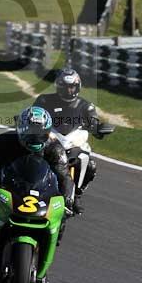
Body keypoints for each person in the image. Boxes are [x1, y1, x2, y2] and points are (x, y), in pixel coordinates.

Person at [0, 106, 73, 270]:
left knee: (61, 217)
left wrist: (67, 200)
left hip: (41, 193)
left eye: (40, 133)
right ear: (21, 129)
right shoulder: (3, 142)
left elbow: (65, 177)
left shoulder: (54, 148)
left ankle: (42, 257)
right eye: (31, 132)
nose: (35, 137)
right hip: (8, 188)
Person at [34, 67, 102, 214]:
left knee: (89, 164)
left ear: (78, 87)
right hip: (51, 140)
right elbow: (34, 114)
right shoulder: (44, 100)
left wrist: (98, 128)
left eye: (72, 87)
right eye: (66, 87)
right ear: (59, 86)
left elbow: (94, 121)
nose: (69, 90)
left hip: (74, 142)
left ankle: (77, 194)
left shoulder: (86, 105)